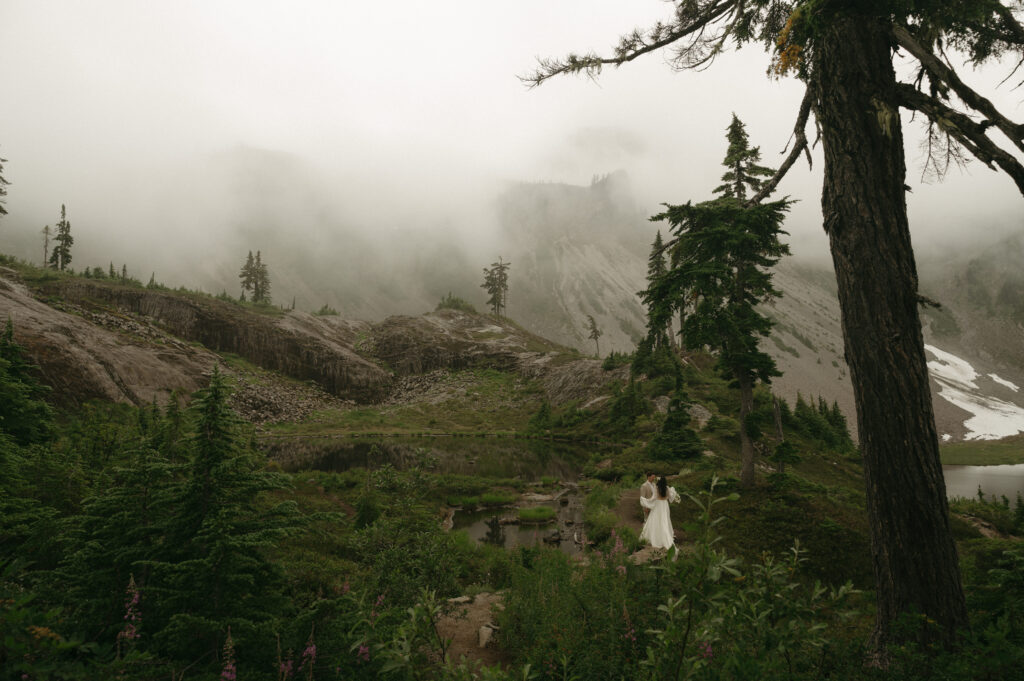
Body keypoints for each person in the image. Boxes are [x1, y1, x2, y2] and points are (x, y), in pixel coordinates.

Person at [640, 476, 680, 552]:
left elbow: (653, 498)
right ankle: (665, 538)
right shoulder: (667, 488)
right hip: (665, 505)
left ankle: (654, 538)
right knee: (664, 521)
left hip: (658, 505)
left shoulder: (656, 488)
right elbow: (671, 498)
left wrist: (645, 501)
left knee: (655, 521)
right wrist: (674, 493)